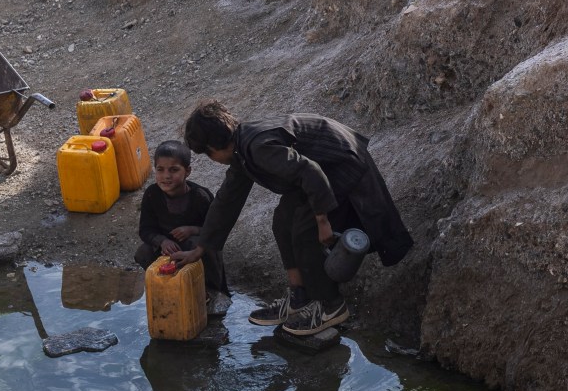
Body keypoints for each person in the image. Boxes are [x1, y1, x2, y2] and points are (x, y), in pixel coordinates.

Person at [181, 100, 413, 337]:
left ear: (213, 146)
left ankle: (331, 306)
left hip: (340, 162)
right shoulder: (242, 149)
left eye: (208, 154)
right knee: (282, 221)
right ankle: (298, 297)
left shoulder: (257, 147)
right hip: (318, 172)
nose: (214, 160)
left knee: (305, 231)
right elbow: (227, 199)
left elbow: (309, 171)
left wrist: (322, 221)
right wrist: (202, 247)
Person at [134, 140, 229, 315]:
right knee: (143, 252)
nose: (166, 176)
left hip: (196, 247)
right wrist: (162, 241)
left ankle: (210, 291)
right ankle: (166, 286)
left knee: (197, 245)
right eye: (160, 169)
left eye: (174, 170)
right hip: (168, 250)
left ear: (188, 171)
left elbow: (217, 228)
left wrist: (192, 229)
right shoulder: (152, 195)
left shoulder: (200, 196)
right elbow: (145, 229)